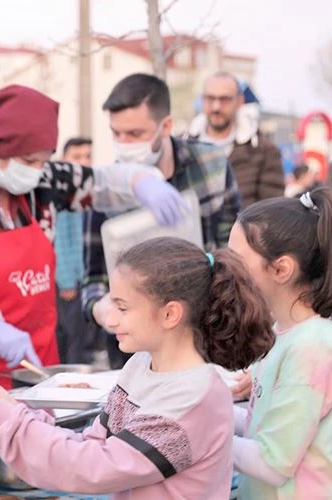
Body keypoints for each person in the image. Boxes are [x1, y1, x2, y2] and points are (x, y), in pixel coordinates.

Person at [0, 237, 274, 498]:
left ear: (170, 314)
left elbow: (96, 466)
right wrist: (16, 411)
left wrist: (7, 421)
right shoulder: (141, 365)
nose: (110, 319)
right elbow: (93, 442)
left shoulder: (194, 398)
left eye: (123, 308)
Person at [0, 84, 188, 388]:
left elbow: (101, 182)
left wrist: (140, 181)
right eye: (29, 161)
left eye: (43, 160)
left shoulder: (43, 182)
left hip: (36, 368)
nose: (37, 170)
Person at [82, 73, 242, 370]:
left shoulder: (212, 166)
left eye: (135, 134)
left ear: (165, 126)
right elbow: (91, 279)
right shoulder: (106, 188)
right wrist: (100, 308)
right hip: (136, 354)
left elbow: (234, 252)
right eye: (116, 133)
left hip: (205, 337)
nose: (123, 144)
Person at [226, 187, 332, 499]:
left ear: (281, 269)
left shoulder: (312, 349)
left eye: (237, 262)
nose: (226, 272)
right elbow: (261, 424)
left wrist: (197, 436)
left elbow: (273, 461)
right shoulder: (285, 331)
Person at [187, 73, 284, 207]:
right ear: (203, 100)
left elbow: (272, 211)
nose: (216, 107)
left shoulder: (264, 150)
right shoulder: (183, 146)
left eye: (224, 99)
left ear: (239, 101)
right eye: (210, 98)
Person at [55, 137, 95, 364]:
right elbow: (61, 238)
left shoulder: (87, 190)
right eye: (77, 156)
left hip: (86, 276)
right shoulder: (63, 193)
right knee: (72, 339)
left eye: (87, 156)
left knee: (81, 337)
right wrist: (67, 280)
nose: (83, 162)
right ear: (64, 160)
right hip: (69, 281)